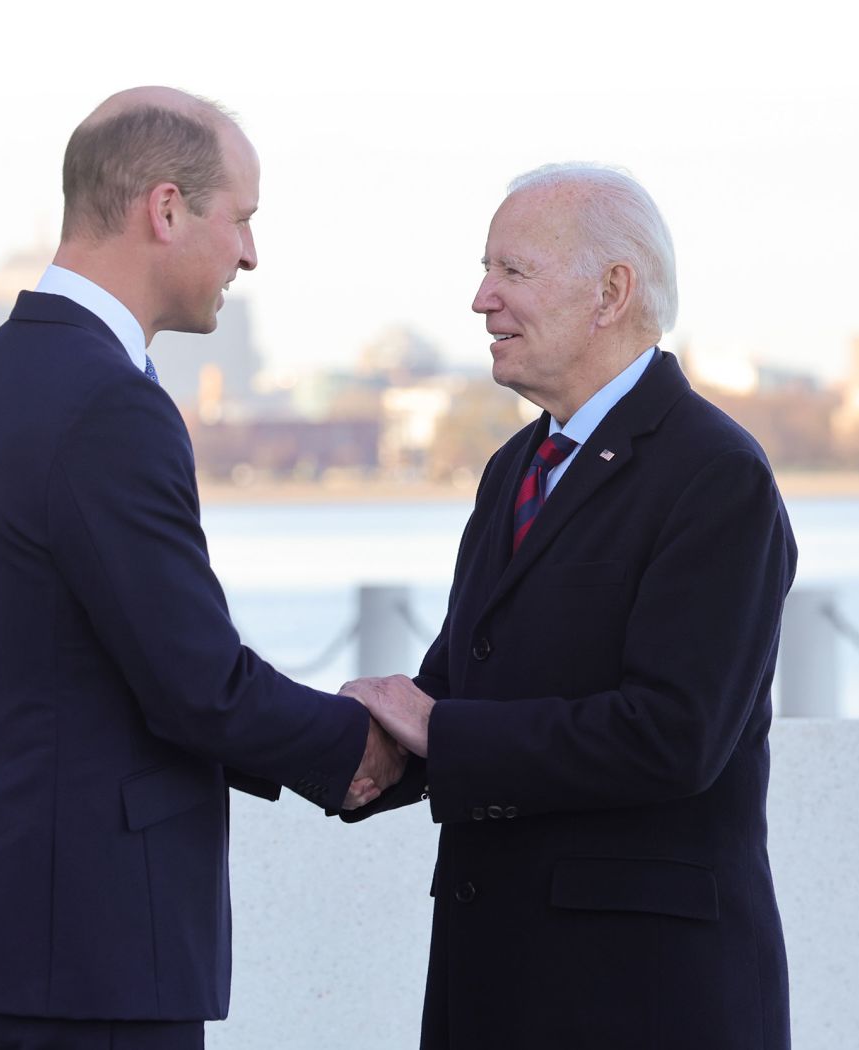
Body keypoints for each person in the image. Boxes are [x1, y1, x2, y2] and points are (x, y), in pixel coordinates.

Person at [0, 87, 403, 1050]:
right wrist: (369, 753)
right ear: (165, 210)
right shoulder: (108, 405)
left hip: (3, 922)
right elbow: (196, 684)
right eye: (241, 219)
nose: (250, 253)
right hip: (94, 943)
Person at [339, 164, 797, 1049]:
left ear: (611, 292)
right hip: (496, 986)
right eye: (486, 271)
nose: (481, 299)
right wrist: (345, 751)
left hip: (641, 999)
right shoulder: (514, 468)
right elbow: (450, 698)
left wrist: (440, 735)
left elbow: (675, 736)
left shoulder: (716, 475)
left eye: (513, 271)